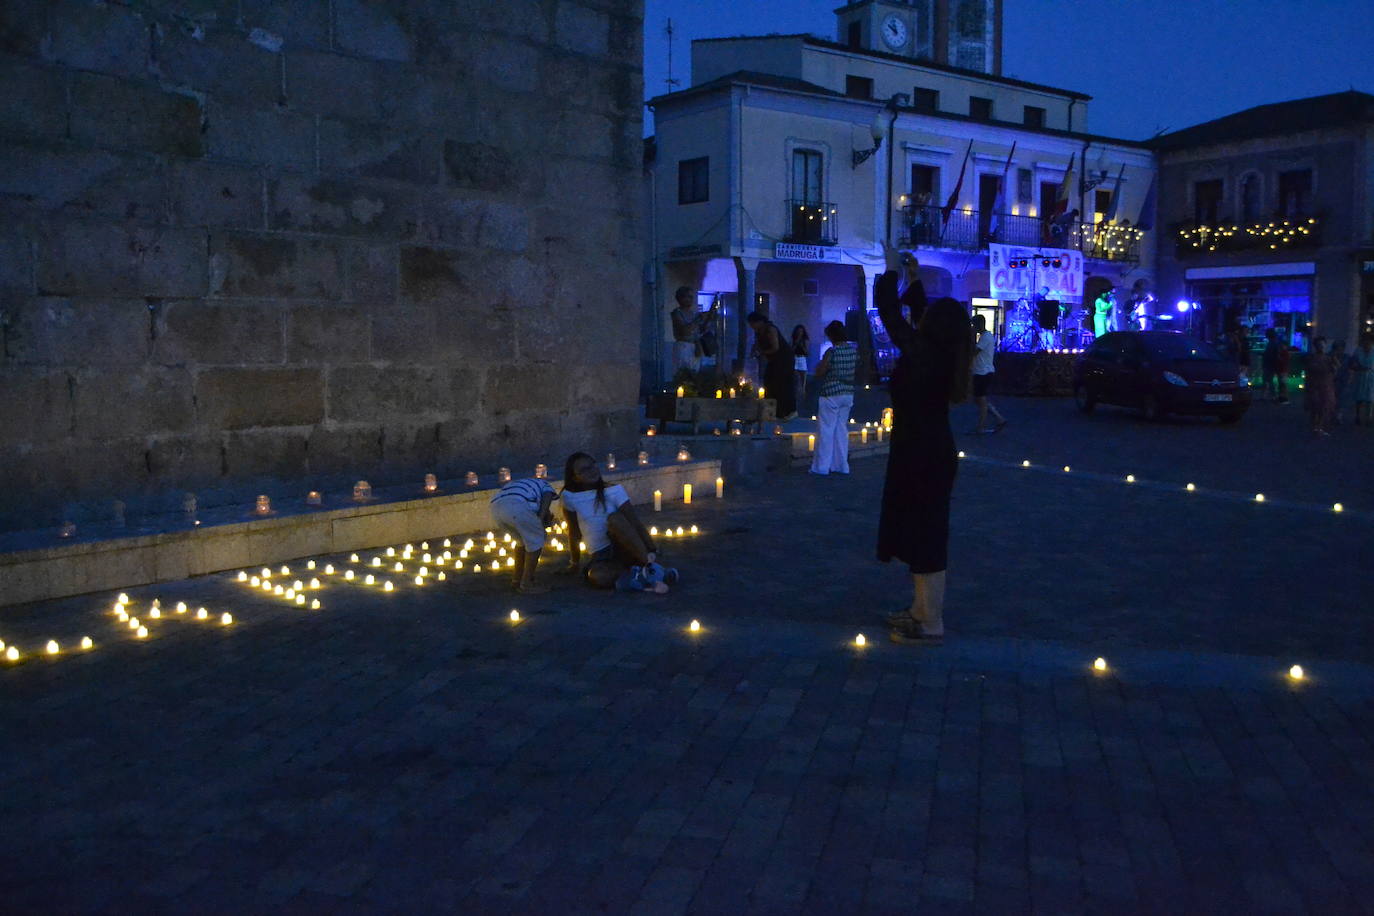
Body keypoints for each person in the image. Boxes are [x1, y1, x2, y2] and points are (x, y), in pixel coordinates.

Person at [875, 242, 972, 646]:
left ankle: (931, 621)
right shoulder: (941, 353)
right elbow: (914, 315)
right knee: (919, 532)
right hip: (925, 448)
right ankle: (919, 610)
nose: (924, 317)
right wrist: (914, 278)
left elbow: (891, 315)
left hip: (923, 453)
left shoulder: (926, 354)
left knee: (928, 534)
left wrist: (891, 267)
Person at [560, 452, 674, 593]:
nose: (591, 471)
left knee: (615, 518)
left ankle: (652, 568)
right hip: (602, 555)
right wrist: (575, 563)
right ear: (574, 477)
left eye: (592, 465)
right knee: (597, 577)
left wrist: (651, 550)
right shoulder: (569, 497)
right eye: (584, 470)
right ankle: (640, 576)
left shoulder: (613, 490)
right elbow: (573, 531)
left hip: (626, 545)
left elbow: (634, 522)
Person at [489, 475, 559, 594]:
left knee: (520, 542)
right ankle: (527, 583)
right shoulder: (545, 486)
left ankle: (517, 579)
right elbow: (547, 498)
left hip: (496, 506)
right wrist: (541, 519)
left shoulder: (527, 485)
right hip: (517, 505)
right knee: (536, 541)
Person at [810, 320, 859, 476]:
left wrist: (820, 366)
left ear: (832, 336)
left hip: (831, 393)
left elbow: (820, 372)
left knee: (826, 430)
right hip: (848, 393)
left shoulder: (832, 352)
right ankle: (841, 466)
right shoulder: (853, 351)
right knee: (841, 430)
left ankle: (821, 468)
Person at [747, 311, 796, 420]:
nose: (752, 327)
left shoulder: (770, 329)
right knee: (769, 381)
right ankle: (772, 410)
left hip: (783, 359)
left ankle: (788, 411)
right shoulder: (759, 332)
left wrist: (762, 352)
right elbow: (757, 344)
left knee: (782, 384)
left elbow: (775, 347)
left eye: (752, 324)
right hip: (773, 360)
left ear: (759, 322)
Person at [969, 314, 1006, 434]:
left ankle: (981, 427)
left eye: (974, 325)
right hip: (982, 371)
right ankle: (999, 418)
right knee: (980, 399)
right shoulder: (985, 336)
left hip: (983, 372)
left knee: (981, 400)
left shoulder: (985, 337)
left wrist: (971, 337)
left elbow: (974, 352)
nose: (973, 327)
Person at [669, 287, 718, 376]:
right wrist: (699, 318)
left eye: (691, 297)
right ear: (680, 298)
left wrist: (709, 315)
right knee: (682, 375)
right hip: (683, 345)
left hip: (695, 346)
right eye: (686, 297)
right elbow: (684, 330)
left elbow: (701, 329)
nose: (689, 300)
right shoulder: (677, 313)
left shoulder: (693, 314)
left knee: (694, 375)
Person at [1304, 336, 1336, 436]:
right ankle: (1314, 426)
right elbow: (1308, 372)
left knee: (1323, 407)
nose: (1321, 347)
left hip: (1325, 385)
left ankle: (1320, 427)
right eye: (1319, 345)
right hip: (1314, 385)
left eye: (1322, 345)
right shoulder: (1312, 358)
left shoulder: (1329, 358)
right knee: (1315, 407)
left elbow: (1334, 370)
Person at [1351, 333, 1374, 426]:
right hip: (1360, 376)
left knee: (1370, 398)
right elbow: (1352, 363)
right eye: (1365, 341)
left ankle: (1369, 418)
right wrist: (1357, 367)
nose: (1367, 343)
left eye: (1369, 341)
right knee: (1359, 398)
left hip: (1371, 376)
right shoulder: (1358, 351)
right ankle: (1358, 416)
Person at [1261, 328, 1283, 402]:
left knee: (1268, 380)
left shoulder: (1272, 343)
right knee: (1268, 380)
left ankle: (1272, 395)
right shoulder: (1274, 342)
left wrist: (1265, 355)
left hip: (1269, 364)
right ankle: (1269, 395)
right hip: (1271, 364)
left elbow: (1275, 354)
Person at [791, 324, 811, 403]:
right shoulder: (793, 339)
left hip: (802, 358)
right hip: (795, 358)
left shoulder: (805, 340)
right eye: (798, 331)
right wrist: (796, 343)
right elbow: (791, 350)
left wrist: (802, 346)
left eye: (801, 331)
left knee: (803, 380)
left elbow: (808, 353)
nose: (800, 333)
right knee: (795, 378)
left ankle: (803, 395)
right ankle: (794, 394)